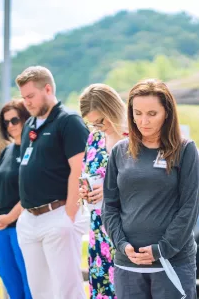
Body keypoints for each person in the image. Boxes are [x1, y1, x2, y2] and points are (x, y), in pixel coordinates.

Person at [101, 78, 199, 299]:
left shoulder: (185, 150)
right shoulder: (119, 151)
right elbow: (109, 205)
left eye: (152, 114)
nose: (143, 121)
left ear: (167, 113)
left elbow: (189, 208)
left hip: (171, 263)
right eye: (137, 113)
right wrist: (121, 243)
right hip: (128, 265)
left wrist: (162, 249)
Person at [15, 66, 90, 299]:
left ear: (47, 89)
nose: (26, 102)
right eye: (23, 97)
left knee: (67, 290)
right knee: (40, 291)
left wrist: (69, 213)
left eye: (30, 96)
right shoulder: (30, 125)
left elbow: (78, 168)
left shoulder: (69, 122)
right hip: (30, 219)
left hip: (58, 215)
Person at [79, 83, 127, 299]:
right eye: (93, 124)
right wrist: (85, 191)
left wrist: (109, 189)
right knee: (102, 291)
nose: (99, 126)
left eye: (101, 121)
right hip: (99, 228)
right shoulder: (94, 138)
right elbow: (86, 173)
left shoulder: (134, 137)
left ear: (113, 108)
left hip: (127, 227)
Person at [0, 99, 32, 299]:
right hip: (1, 227)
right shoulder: (8, 151)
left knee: (29, 280)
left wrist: (10, 217)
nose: (11, 126)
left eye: (15, 120)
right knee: (9, 280)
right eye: (6, 122)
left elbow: (32, 189)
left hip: (21, 224)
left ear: (26, 118)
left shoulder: (33, 148)